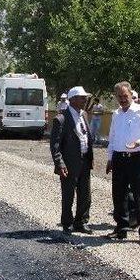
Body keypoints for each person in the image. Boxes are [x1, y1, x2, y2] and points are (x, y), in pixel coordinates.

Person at [106, 81, 140, 245]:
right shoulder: (116, 114)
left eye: (125, 96)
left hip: (137, 157)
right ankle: (121, 229)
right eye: (119, 97)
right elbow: (113, 137)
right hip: (119, 158)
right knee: (119, 194)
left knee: (139, 195)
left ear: (131, 95)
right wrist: (110, 158)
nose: (123, 99)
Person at [50, 86, 94, 235]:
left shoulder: (84, 115)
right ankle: (67, 223)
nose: (85, 100)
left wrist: (90, 157)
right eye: (82, 98)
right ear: (73, 99)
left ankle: (80, 222)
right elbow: (55, 145)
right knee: (68, 194)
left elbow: (86, 137)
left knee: (85, 195)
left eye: (85, 97)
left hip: (84, 161)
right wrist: (59, 163)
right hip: (69, 163)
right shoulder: (61, 119)